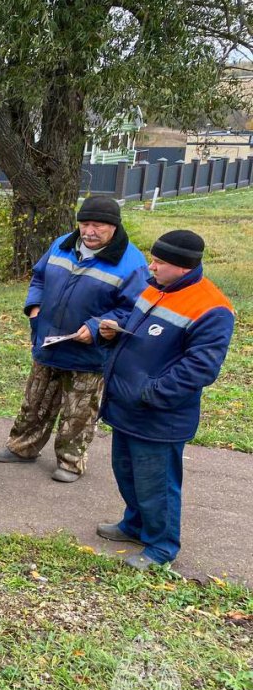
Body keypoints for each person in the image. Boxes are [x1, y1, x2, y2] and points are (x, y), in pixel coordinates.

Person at [96, 230, 234, 570]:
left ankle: (161, 548)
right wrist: (116, 329)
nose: (150, 267)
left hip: (158, 416)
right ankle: (135, 525)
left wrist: (150, 393)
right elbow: (138, 324)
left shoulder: (213, 309)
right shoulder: (156, 286)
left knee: (156, 484)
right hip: (126, 406)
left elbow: (200, 369)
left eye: (159, 262)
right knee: (126, 473)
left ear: (183, 268)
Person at [0, 196, 147, 483]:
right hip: (48, 340)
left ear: (114, 226)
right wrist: (34, 307)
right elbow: (38, 278)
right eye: (85, 224)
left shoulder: (132, 263)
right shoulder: (62, 244)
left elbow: (133, 309)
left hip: (89, 351)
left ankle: (70, 461)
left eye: (97, 226)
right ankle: (23, 447)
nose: (89, 231)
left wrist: (97, 326)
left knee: (79, 411)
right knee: (35, 401)